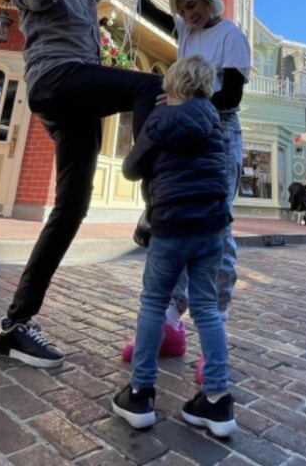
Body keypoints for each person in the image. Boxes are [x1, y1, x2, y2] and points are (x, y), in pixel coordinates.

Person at [0, 0, 164, 368]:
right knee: (147, 88)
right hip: (55, 81)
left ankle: (15, 324)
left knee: (71, 209)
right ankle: (154, 202)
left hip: (78, 102)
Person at [122, 0, 250, 379]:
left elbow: (230, 95)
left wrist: (184, 95)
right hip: (181, 126)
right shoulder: (186, 32)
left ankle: (216, 334)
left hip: (218, 130)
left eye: (191, 5)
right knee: (175, 225)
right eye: (181, 9)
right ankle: (170, 326)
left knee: (216, 228)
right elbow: (144, 5)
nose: (186, 14)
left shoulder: (230, 35)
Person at [112, 56, 237, 438]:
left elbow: (131, 168)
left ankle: (140, 393)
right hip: (212, 226)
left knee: (153, 302)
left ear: (173, 85)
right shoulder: (215, 122)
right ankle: (216, 399)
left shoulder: (161, 119)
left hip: (172, 225)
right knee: (205, 308)